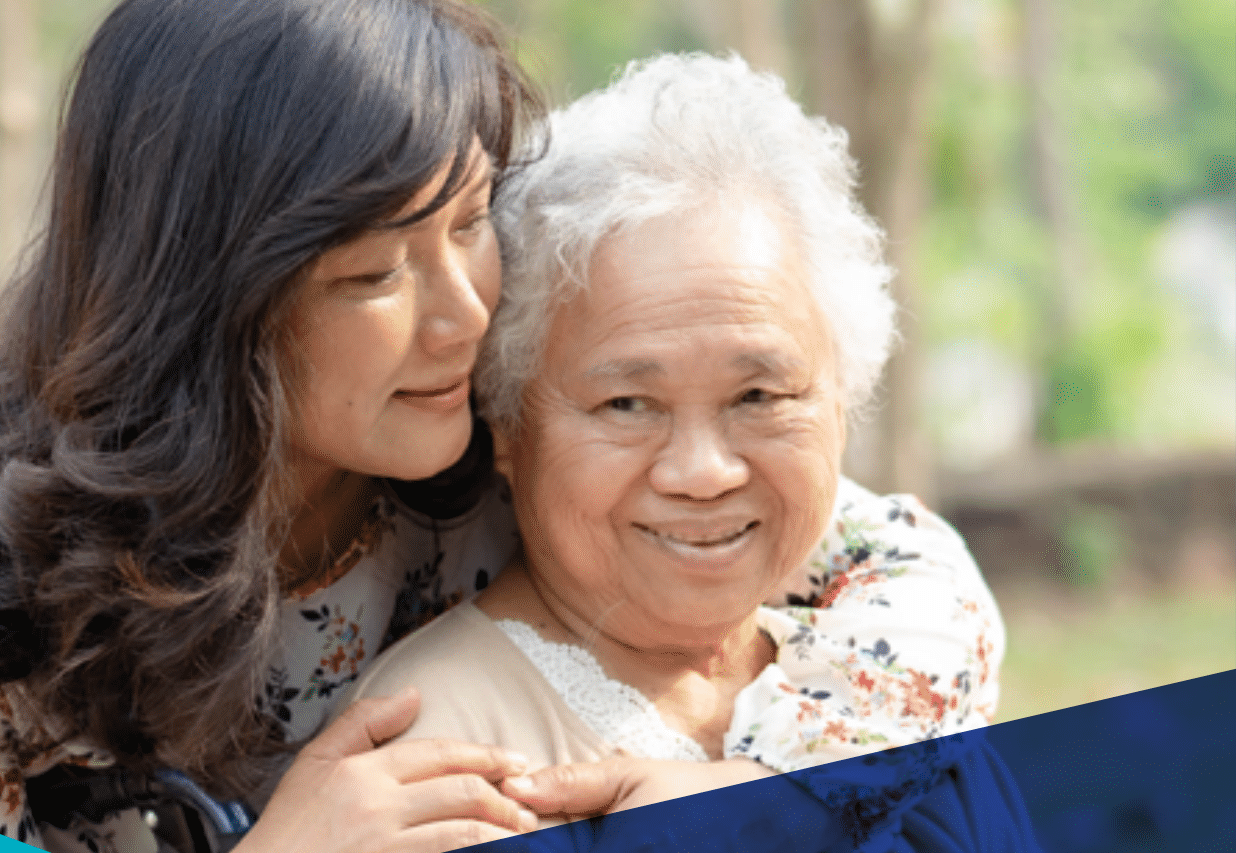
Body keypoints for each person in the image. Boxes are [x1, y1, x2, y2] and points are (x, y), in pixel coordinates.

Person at [0, 0, 998, 850]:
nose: (463, 316)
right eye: (371, 273)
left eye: (471, 226)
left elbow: (893, 560)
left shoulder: (468, 434)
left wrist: (779, 787)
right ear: (209, 298)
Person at [342, 52, 1008, 847]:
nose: (703, 472)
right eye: (627, 404)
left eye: (758, 395)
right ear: (508, 426)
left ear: (841, 400)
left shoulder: (887, 693)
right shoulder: (442, 775)